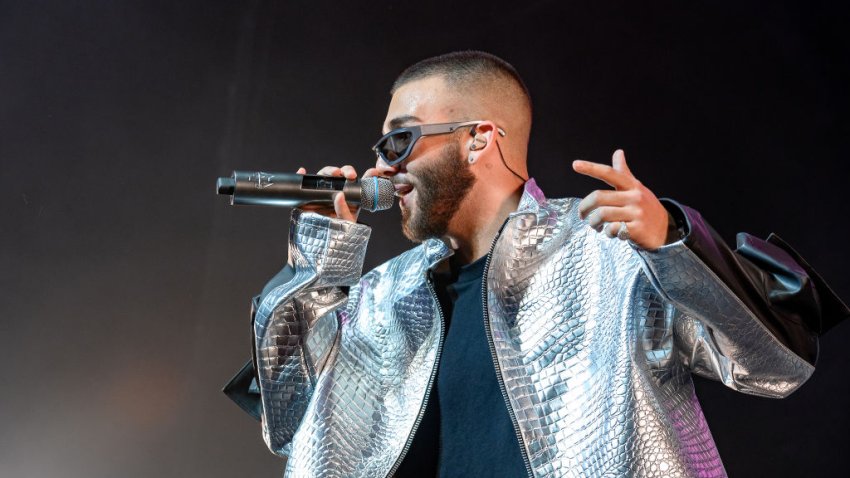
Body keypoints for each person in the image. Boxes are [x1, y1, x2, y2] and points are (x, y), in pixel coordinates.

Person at [224, 51, 846, 477]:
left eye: (400, 140)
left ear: (478, 138)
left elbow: (775, 366)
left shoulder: (610, 250)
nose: (382, 167)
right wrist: (322, 261)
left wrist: (672, 243)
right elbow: (290, 425)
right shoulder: (385, 295)